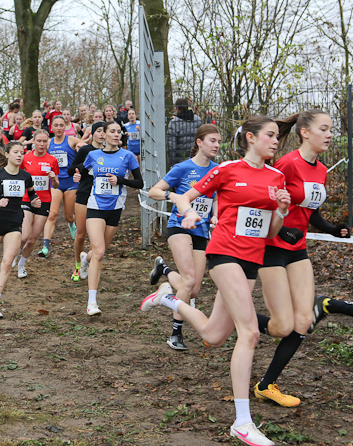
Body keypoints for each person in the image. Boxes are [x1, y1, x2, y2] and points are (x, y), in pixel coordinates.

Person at [147, 116, 291, 446]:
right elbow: (185, 196)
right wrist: (189, 212)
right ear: (251, 138)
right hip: (224, 254)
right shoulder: (227, 169)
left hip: (252, 259)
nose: (275, 141)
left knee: (213, 335)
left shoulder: (277, 177)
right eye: (270, 135)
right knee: (250, 332)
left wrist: (281, 211)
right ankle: (242, 422)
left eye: (277, 136)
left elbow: (270, 231)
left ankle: (167, 298)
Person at [251, 110, 351, 408]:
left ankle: (266, 385)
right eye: (324, 129)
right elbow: (266, 202)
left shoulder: (321, 170)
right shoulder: (286, 164)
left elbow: (310, 211)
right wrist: (284, 229)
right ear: (305, 132)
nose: (330, 134)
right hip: (272, 247)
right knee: (282, 326)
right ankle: (235, 316)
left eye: (331, 129)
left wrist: (332, 229)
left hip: (298, 250)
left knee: (304, 321)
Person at [143, 124, 220, 350]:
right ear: (199, 142)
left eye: (218, 141)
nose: (217, 145)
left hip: (201, 230)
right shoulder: (183, 168)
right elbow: (154, 192)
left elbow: (216, 198)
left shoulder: (218, 171)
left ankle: (164, 270)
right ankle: (175, 333)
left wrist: (216, 215)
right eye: (212, 141)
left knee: (193, 288)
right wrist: (174, 196)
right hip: (179, 226)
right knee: (189, 280)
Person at [80, 120, 143, 315]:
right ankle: (92, 302)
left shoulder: (128, 156)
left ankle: (85, 259)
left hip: (115, 208)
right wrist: (77, 176)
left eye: (119, 132)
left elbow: (139, 183)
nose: (116, 134)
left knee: (99, 252)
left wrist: (120, 180)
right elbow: (83, 173)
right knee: (99, 252)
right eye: (112, 131)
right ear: (104, 135)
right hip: (95, 207)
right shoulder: (93, 155)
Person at [0, 141, 40, 319]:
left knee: (7, 264)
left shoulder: (25, 176)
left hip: (14, 224)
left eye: (22, 152)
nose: (19, 155)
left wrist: (34, 201)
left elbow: (32, 194)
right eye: (16, 152)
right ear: (7, 154)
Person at [13, 130, 60, 278]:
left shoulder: (52, 160)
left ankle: (21, 265)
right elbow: (16, 176)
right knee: (24, 237)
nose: (42, 144)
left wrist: (54, 179)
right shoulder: (25, 158)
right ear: (33, 141)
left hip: (44, 201)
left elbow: (56, 185)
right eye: (39, 141)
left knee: (32, 239)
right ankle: (14, 254)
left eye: (45, 141)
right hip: (26, 200)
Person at [39, 115, 84, 257]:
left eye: (61, 125)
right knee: (52, 214)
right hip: (55, 182)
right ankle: (45, 247)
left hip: (71, 182)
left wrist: (80, 147)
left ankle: (71, 224)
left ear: (65, 127)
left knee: (69, 216)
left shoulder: (71, 140)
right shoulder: (48, 143)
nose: (59, 128)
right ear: (51, 127)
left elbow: (87, 146)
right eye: (56, 125)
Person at [68, 121, 106, 281]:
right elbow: (71, 170)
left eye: (104, 131)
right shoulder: (85, 150)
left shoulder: (111, 152)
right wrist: (79, 171)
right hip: (84, 194)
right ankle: (78, 265)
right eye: (99, 131)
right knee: (81, 235)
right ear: (92, 134)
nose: (102, 134)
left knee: (96, 238)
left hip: (102, 197)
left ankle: (90, 264)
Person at [167, 98, 202, 167]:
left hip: (180, 160)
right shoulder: (198, 119)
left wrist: (172, 163)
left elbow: (171, 146)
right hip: (196, 158)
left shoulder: (174, 123)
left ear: (177, 108)